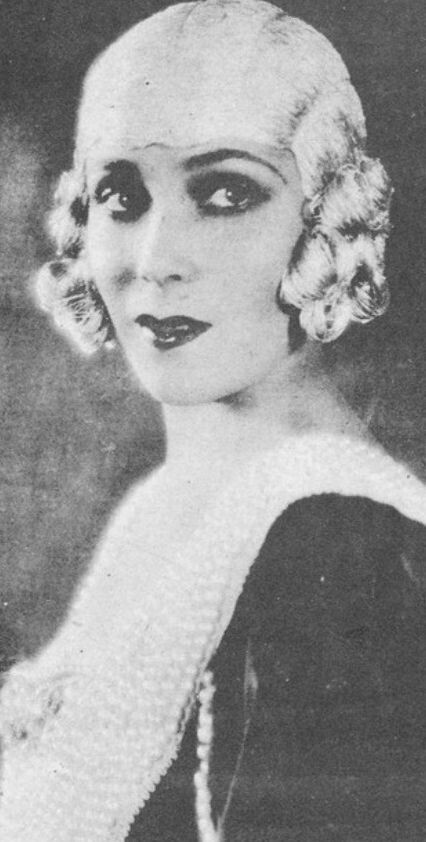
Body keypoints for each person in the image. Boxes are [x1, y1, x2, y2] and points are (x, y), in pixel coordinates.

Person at [1, 1, 426, 840]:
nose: (157, 260)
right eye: (120, 195)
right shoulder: (158, 509)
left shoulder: (343, 552)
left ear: (325, 221)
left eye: (226, 193)